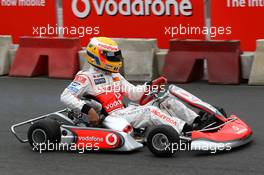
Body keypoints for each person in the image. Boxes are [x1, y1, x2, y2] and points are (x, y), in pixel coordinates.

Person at [61, 37, 199, 134]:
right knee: (150, 112)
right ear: (97, 56)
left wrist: (149, 86)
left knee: (166, 100)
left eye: (116, 55)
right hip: (112, 117)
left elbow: (133, 94)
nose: (116, 59)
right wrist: (88, 110)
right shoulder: (86, 77)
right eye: (111, 56)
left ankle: (197, 121)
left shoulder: (114, 75)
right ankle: (187, 131)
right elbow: (66, 96)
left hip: (125, 111)